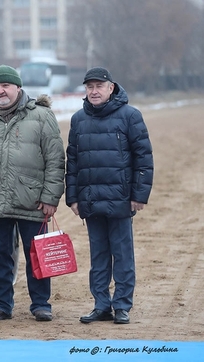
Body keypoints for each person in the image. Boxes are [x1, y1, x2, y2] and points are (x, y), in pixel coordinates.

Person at [0, 65, 65, 322]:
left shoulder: (42, 116)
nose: (0, 91)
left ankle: (41, 304)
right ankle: (2, 304)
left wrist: (51, 198)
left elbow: (55, 160)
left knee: (37, 254)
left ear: (18, 87)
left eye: (5, 85)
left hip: (33, 200)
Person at [65, 67, 154, 325]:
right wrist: (73, 197)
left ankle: (122, 305)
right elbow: (73, 161)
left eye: (99, 86)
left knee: (123, 254)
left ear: (111, 88)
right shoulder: (78, 119)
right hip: (91, 200)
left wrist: (139, 195)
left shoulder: (130, 116)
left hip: (121, 200)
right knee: (99, 257)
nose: (94, 91)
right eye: (89, 87)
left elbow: (144, 159)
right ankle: (101, 304)